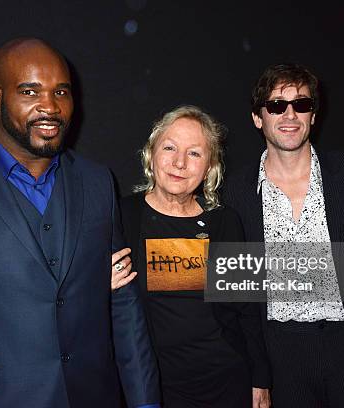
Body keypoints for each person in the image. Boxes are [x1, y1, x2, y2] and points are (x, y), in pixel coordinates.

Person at [0, 37, 160, 407]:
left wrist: (145, 401)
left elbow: (124, 306)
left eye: (61, 92)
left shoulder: (98, 182)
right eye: (30, 91)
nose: (50, 107)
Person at [222, 63, 344, 407]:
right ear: (258, 117)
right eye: (276, 105)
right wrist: (255, 373)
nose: (290, 115)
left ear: (313, 115)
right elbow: (237, 295)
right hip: (280, 358)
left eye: (302, 104)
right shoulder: (236, 193)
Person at [111, 105, 271, 407]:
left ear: (210, 166)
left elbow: (248, 310)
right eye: (169, 147)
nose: (179, 162)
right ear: (151, 153)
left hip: (227, 382)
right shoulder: (121, 216)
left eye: (195, 153)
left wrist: (260, 378)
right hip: (154, 388)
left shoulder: (225, 221)